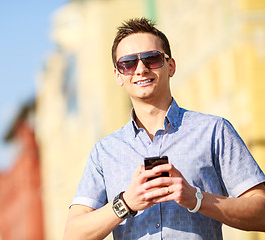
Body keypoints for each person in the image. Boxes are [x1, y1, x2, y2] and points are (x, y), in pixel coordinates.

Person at [63, 17, 265, 240]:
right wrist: (126, 203)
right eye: (128, 63)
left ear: (171, 66)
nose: (140, 69)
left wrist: (196, 198)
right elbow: (73, 234)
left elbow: (262, 212)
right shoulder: (104, 152)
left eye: (152, 59)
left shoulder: (214, 131)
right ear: (118, 75)